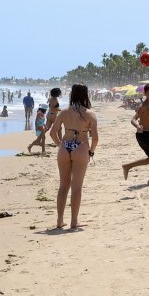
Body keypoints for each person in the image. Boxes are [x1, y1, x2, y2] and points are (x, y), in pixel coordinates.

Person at [53, 83, 98, 230]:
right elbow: (96, 138)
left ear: (72, 94)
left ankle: (59, 220)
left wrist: (61, 145)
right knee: (76, 187)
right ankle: (74, 221)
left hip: (65, 147)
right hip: (81, 147)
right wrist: (91, 150)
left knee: (63, 186)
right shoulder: (90, 114)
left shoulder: (64, 112)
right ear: (86, 95)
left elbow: (53, 132)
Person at [122, 85, 149, 185]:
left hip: (147, 134)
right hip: (142, 134)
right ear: (145, 94)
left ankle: (127, 166)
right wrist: (137, 126)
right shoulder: (143, 106)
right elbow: (133, 119)